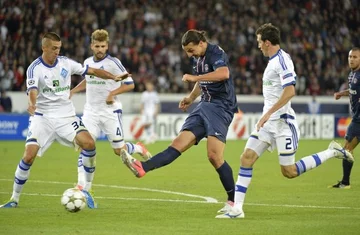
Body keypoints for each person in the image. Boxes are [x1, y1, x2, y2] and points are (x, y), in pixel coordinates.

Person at [216, 23, 354, 219]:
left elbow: (290, 91)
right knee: (246, 157)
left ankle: (332, 151)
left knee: (289, 171)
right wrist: (266, 115)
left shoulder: (282, 61)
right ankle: (237, 209)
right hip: (268, 123)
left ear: (268, 42)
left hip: (282, 123)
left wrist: (267, 113)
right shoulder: (273, 61)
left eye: (259, 42)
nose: (258, 46)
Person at [0, 32, 128, 208]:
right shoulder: (34, 68)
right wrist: (32, 103)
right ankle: (14, 199)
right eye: (53, 49)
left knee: (89, 143)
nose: (56, 52)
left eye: (58, 48)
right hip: (42, 117)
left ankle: (87, 190)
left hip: (66, 116)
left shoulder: (66, 63)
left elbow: (92, 71)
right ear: (44, 47)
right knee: (28, 156)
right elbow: (32, 90)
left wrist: (113, 77)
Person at [120, 29, 238, 215]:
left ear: (201, 43)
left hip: (221, 107)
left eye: (191, 50)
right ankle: (142, 167)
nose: (189, 55)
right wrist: (191, 98)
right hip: (203, 105)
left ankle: (234, 203)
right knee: (177, 144)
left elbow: (223, 74)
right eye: (186, 52)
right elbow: (202, 83)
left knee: (214, 156)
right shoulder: (198, 58)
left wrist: (195, 78)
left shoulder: (216, 53)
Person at [70, 29, 152, 189]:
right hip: (91, 112)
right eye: (97, 46)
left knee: (118, 150)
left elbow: (130, 84)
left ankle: (138, 147)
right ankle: (83, 187)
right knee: (85, 144)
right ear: (92, 46)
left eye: (103, 46)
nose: (100, 49)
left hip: (110, 111)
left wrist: (112, 94)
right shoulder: (87, 62)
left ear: (107, 46)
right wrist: (73, 91)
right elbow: (88, 80)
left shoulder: (114, 63)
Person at [329, 47, 360, 189]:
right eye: (350, 57)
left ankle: (345, 182)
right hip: (356, 118)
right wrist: (341, 93)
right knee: (347, 149)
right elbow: (353, 91)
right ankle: (345, 182)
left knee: (346, 149)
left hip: (358, 120)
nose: (351, 59)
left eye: (355, 57)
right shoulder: (352, 75)